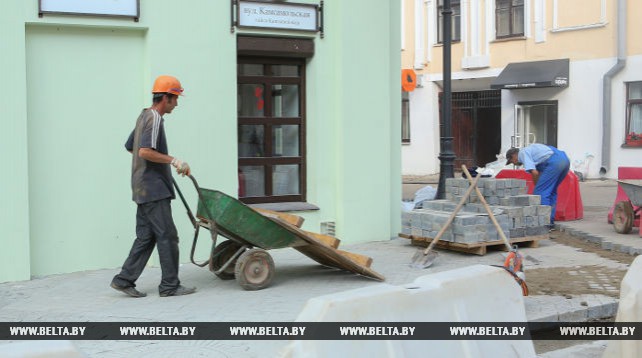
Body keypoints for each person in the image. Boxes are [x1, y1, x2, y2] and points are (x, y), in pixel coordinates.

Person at [110, 75, 196, 298]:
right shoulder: (155, 118)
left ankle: (124, 280)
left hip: (142, 188)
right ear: (165, 98)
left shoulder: (143, 116)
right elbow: (144, 151)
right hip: (154, 190)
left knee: (146, 237)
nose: (176, 104)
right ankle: (170, 286)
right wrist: (173, 161)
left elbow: (131, 146)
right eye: (175, 98)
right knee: (168, 236)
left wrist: (153, 166)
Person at [505, 144, 570, 226]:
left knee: (540, 193)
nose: (514, 164)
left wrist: (538, 187)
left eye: (512, 161)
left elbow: (534, 172)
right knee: (552, 191)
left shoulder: (522, 153)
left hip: (554, 162)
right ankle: (550, 220)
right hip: (564, 159)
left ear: (513, 155)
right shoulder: (532, 150)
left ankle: (544, 223)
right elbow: (538, 173)